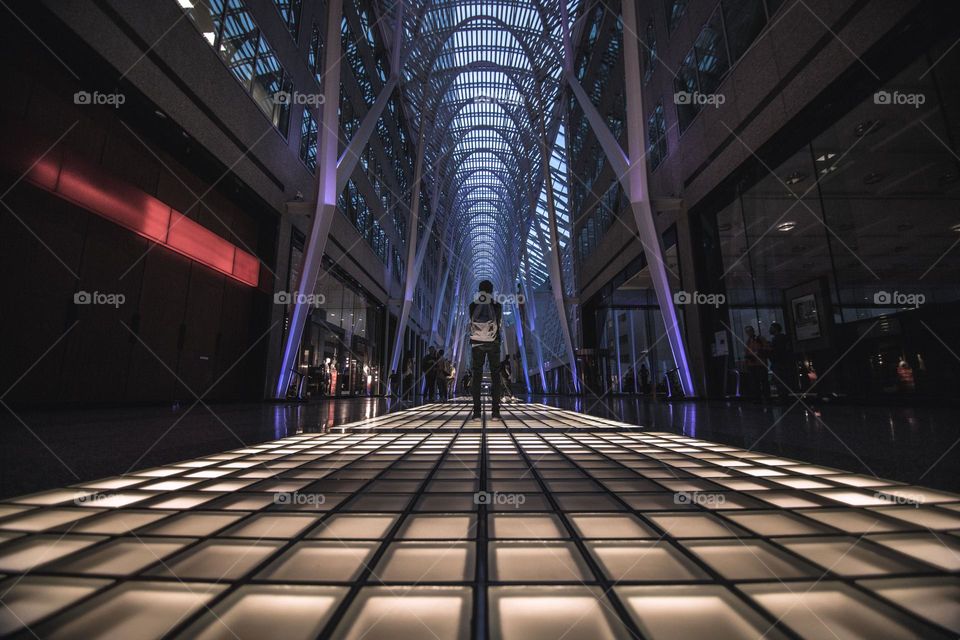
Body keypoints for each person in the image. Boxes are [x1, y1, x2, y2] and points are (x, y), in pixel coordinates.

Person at [469, 280, 503, 419]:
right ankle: (495, 411)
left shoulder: (472, 305)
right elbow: (498, 324)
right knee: (495, 375)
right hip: (493, 342)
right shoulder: (497, 305)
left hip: (477, 343)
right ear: (491, 290)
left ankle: (477, 412)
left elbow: (471, 322)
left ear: (479, 290)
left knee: (476, 375)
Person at [743, 326, 770, 401]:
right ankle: (758, 397)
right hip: (752, 364)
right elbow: (746, 352)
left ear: (753, 331)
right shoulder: (748, 342)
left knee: (764, 381)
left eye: (750, 331)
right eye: (747, 331)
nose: (749, 333)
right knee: (755, 382)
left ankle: (767, 397)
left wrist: (757, 353)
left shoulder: (760, 339)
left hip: (760, 364)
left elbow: (766, 348)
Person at [768, 322, 793, 401]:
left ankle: (782, 397)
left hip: (778, 362)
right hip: (782, 362)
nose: (770, 329)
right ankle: (784, 396)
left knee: (779, 380)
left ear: (775, 329)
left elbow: (777, 351)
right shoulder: (783, 338)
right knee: (782, 379)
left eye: (771, 328)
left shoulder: (777, 339)